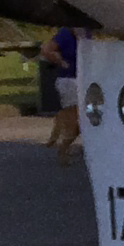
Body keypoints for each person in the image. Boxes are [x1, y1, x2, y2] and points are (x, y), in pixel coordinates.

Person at [39, 25, 81, 163]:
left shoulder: (89, 34)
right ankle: (63, 151)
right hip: (69, 80)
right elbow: (46, 50)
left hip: (84, 79)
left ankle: (61, 131)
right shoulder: (65, 34)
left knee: (87, 120)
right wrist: (61, 62)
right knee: (75, 122)